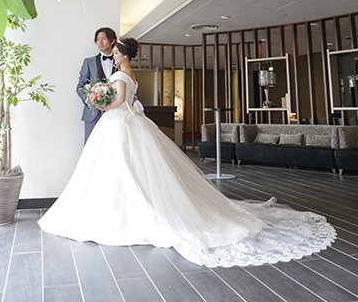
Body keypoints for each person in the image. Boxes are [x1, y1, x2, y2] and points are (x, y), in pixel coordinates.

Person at [39, 38, 336, 268]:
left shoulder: (121, 74)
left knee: (123, 167)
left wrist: (100, 103)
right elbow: (129, 99)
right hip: (127, 122)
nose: (113, 55)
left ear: (124, 55)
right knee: (129, 168)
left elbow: (118, 101)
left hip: (118, 121)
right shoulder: (130, 74)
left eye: (116, 52)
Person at [76, 27, 117, 143]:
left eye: (103, 38)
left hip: (115, 113)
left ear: (112, 41)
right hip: (93, 114)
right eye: (97, 39)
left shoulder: (119, 61)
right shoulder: (89, 62)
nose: (100, 42)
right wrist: (91, 101)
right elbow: (80, 86)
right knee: (91, 146)